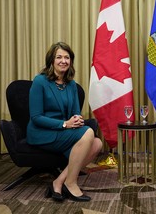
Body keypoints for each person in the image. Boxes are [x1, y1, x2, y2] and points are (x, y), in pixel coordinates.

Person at [27, 42, 103, 202]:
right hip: (42, 132)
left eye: (67, 57)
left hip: (63, 132)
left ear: (71, 61)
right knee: (89, 132)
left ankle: (59, 181)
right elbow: (36, 117)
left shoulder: (71, 84)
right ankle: (71, 183)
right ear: (52, 61)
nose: (63, 61)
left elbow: (75, 112)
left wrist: (77, 119)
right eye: (59, 57)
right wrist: (64, 124)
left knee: (97, 144)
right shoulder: (40, 81)